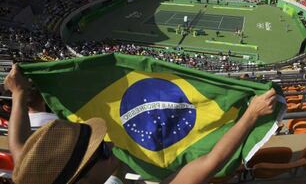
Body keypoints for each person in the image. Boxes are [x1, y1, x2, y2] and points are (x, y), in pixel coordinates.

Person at [5, 64, 278, 184]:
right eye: (100, 150)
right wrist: (251, 115)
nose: (110, 143)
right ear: (83, 178)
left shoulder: (41, 176)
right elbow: (207, 165)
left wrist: (18, 95)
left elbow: (21, 152)